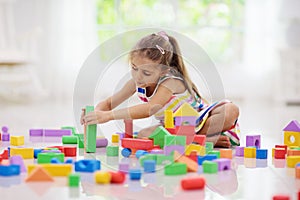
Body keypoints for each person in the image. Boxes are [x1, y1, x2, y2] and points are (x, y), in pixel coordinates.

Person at [81, 31, 240, 147]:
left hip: (200, 119)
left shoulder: (170, 81)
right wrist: (95, 115)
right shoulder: (135, 82)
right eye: (134, 68)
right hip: (172, 128)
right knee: (143, 135)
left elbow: (150, 108)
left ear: (164, 70)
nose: (138, 77)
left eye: (146, 73)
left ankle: (198, 137)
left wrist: (108, 116)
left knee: (231, 110)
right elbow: (109, 103)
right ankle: (198, 139)